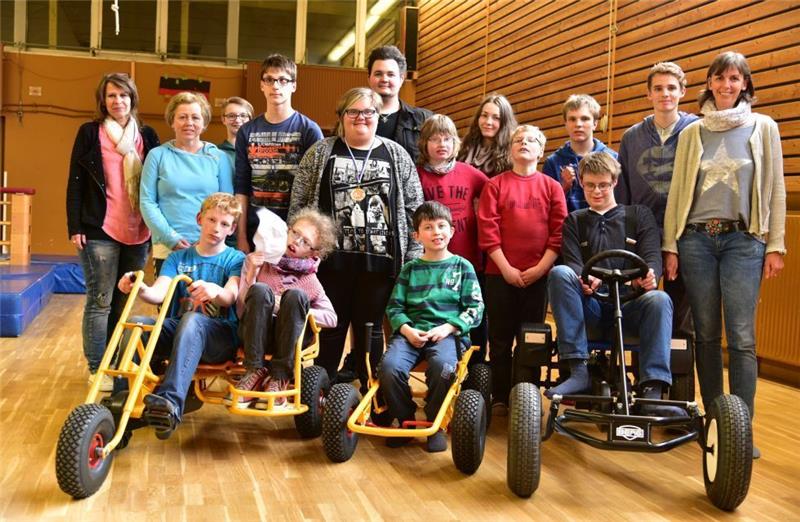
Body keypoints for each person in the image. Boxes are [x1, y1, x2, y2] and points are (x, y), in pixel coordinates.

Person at [663, 52, 786, 455]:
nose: (727, 85)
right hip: (696, 241)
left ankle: (740, 432)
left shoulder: (764, 127)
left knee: (742, 337)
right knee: (706, 334)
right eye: (720, 78)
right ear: (710, 84)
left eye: (735, 78)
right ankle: (716, 424)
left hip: (743, 242)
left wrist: (776, 244)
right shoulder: (692, 133)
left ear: (745, 84)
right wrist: (670, 245)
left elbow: (776, 190)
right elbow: (678, 191)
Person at [289, 87, 424, 389]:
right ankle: (318, 397)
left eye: (368, 112)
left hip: (380, 265)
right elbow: (298, 203)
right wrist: (298, 247)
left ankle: (372, 398)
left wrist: (413, 256)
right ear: (341, 117)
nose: (361, 117)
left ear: (378, 116)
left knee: (371, 331)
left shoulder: (396, 154)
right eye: (353, 111)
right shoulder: (321, 151)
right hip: (329, 263)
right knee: (330, 329)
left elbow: (415, 208)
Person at [546, 152, 683, 417]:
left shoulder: (639, 216)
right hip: (592, 308)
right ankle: (578, 370)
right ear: (581, 185)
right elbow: (573, 262)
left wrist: (650, 274)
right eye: (590, 185)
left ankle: (653, 390)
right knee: (560, 273)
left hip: (630, 307)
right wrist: (584, 278)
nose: (597, 191)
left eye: (603, 185)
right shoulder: (575, 221)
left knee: (660, 299)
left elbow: (652, 256)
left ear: (614, 183)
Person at [117, 193, 245, 440]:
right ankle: (123, 402)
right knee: (138, 325)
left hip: (219, 337)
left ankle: (170, 403)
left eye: (224, 224)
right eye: (212, 220)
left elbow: (231, 295)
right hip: (180, 330)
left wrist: (215, 291)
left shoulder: (235, 258)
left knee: (192, 320)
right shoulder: (178, 258)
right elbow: (158, 293)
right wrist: (139, 287)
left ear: (232, 229)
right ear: (200, 219)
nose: (216, 228)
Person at [67, 73, 160, 391]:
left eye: (123, 95)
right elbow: (75, 181)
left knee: (124, 302)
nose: (117, 101)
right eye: (111, 96)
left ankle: (117, 362)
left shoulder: (147, 135)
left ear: (132, 98)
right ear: (102, 101)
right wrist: (75, 225)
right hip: (99, 229)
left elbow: (159, 181)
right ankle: (97, 368)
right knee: (100, 300)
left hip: (138, 231)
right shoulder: (90, 133)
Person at [477, 125, 567, 414]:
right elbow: (488, 230)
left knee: (531, 339)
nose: (524, 143)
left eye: (531, 140)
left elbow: (558, 232)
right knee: (500, 339)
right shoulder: (495, 185)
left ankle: (525, 397)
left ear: (541, 151)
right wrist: (506, 268)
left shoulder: (551, 187)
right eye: (518, 140)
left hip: (537, 277)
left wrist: (541, 269)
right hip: (499, 274)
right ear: (510, 149)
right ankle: (501, 396)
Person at [381, 201, 484, 452]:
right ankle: (405, 419)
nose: (436, 232)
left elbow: (475, 308)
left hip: (447, 335)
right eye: (428, 227)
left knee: (444, 368)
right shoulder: (410, 269)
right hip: (411, 334)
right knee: (388, 367)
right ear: (417, 236)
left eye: (441, 226)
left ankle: (434, 421)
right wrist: (406, 329)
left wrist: (448, 328)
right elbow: (394, 307)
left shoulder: (463, 267)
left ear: (451, 231)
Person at [616, 62, 699, 339]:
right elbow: (623, 192)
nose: (665, 94)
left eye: (672, 88)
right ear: (648, 94)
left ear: (683, 92)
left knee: (682, 319)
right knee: (642, 308)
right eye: (658, 88)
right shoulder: (631, 137)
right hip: (643, 236)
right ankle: (644, 380)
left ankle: (678, 382)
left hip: (686, 235)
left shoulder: (697, 130)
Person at [229, 208, 338, 409]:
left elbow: (332, 318)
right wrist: (252, 271)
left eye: (305, 241)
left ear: (314, 252)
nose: (296, 241)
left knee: (296, 296)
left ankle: (279, 376)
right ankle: (254, 370)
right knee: (261, 290)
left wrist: (301, 309)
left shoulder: (310, 280)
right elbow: (241, 308)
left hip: (288, 342)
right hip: (256, 335)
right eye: (295, 233)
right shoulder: (260, 260)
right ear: (287, 230)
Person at [235, 54, 324, 252]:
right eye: (270, 79)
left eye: (283, 80)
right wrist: (240, 237)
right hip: (255, 231)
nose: (276, 86)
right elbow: (241, 188)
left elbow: (315, 191)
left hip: (295, 234)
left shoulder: (309, 130)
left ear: (293, 85)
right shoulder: (247, 131)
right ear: (262, 85)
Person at [416, 114, 489, 357]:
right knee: (436, 311)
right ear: (424, 143)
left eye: (447, 138)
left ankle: (477, 365)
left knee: (474, 313)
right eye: (434, 139)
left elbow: (495, 193)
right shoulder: (417, 175)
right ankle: (438, 362)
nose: (441, 144)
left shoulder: (469, 172)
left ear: (455, 142)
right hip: (432, 262)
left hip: (468, 258)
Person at [140, 91, 233, 275]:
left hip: (210, 247)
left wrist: (209, 238)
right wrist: (171, 238)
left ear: (204, 123)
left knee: (207, 303)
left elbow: (227, 205)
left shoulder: (219, 157)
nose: (189, 123)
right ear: (172, 121)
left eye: (195, 117)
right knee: (168, 303)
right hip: (168, 247)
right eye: (182, 117)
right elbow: (147, 201)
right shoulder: (157, 156)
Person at [543, 94, 618, 212]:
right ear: (565, 124)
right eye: (572, 119)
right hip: (568, 228)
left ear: (595, 123)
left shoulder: (613, 158)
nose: (578, 124)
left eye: (584, 118)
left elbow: (621, 202)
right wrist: (564, 187)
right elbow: (545, 208)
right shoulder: (553, 162)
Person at [367, 45, 433, 162]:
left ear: (401, 79)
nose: (384, 79)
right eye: (378, 74)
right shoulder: (354, 118)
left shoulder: (424, 120)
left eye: (390, 74)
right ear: (369, 78)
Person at [457, 93, 517, 178]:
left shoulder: (512, 155)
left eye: (496, 118)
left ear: (505, 123)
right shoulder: (463, 147)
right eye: (484, 115)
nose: (488, 122)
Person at [218, 96, 254, 166]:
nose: (237, 120)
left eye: (243, 115)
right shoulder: (216, 152)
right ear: (223, 120)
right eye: (231, 116)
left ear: (250, 120)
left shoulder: (259, 152)